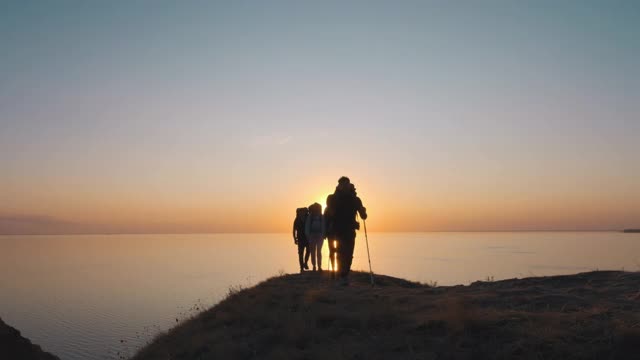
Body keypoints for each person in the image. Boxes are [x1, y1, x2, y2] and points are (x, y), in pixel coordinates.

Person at [331, 176, 367, 285]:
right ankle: (341, 275)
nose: (345, 186)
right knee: (341, 252)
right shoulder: (333, 198)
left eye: (346, 184)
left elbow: (363, 216)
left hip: (350, 230)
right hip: (338, 230)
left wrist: (363, 212)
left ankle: (344, 274)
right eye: (342, 185)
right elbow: (330, 211)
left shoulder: (355, 199)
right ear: (339, 186)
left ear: (349, 185)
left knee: (349, 253)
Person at [305, 202, 325, 271]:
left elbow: (323, 226)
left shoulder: (321, 217)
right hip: (312, 236)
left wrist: (323, 235)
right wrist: (308, 236)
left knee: (318, 251)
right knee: (313, 252)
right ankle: (314, 266)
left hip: (319, 236)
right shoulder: (310, 217)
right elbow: (307, 227)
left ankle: (319, 266)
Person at [292, 207, 310, 273]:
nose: (302, 213)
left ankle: (305, 262)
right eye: (301, 212)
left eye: (304, 212)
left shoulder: (308, 218)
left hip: (307, 238)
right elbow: (294, 230)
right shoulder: (297, 220)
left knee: (308, 251)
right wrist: (295, 238)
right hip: (300, 239)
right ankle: (302, 267)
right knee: (300, 253)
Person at [324, 191, 338, 277]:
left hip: (330, 233)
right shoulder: (336, 209)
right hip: (336, 232)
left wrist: (325, 232)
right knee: (337, 251)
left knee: (332, 251)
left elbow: (324, 221)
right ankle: (336, 269)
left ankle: (333, 270)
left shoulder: (327, 209)